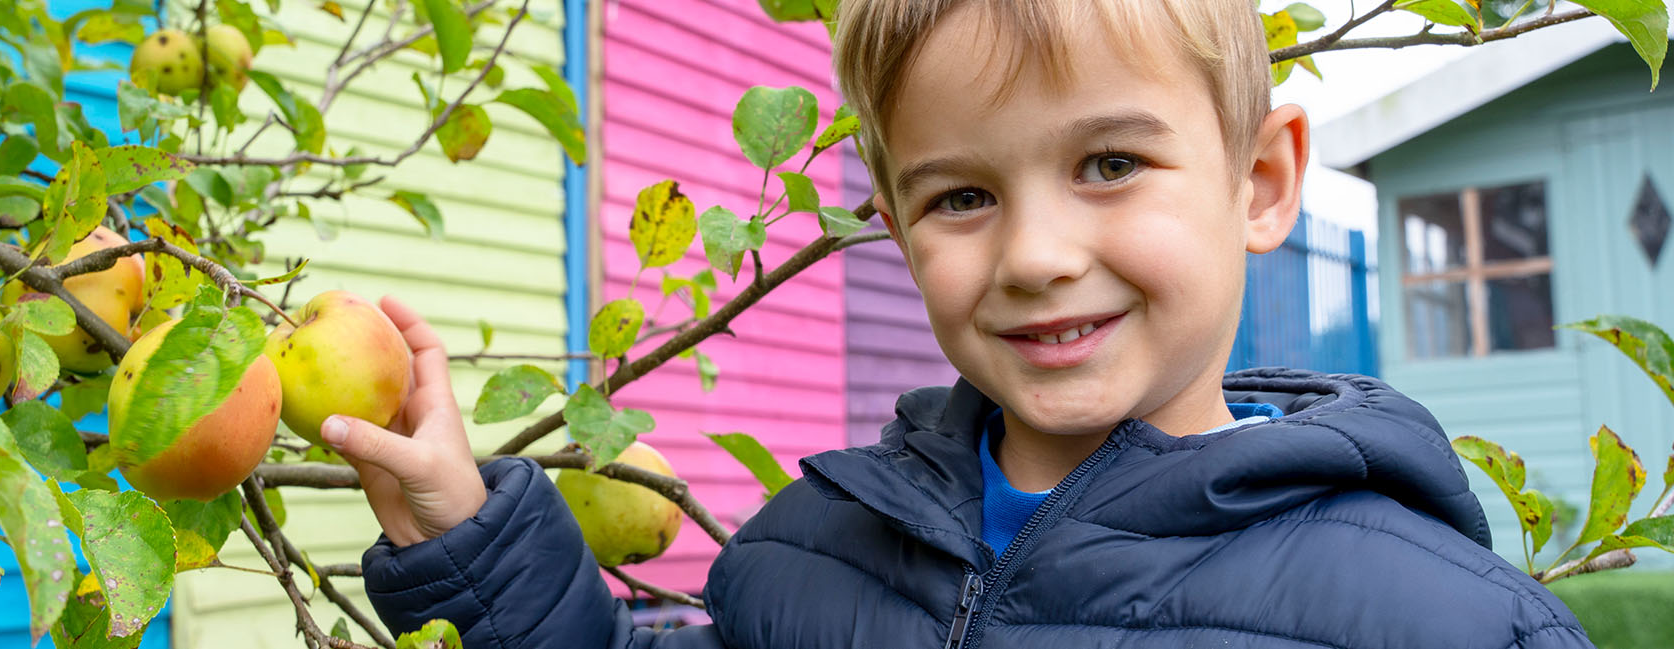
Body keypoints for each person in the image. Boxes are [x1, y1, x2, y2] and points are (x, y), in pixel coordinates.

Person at [316, 1, 1594, 646]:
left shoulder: (1449, 623)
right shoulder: (800, 558)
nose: (1035, 256)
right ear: (893, 217)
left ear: (1258, 183)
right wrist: (470, 532)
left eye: (1107, 164)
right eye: (964, 195)